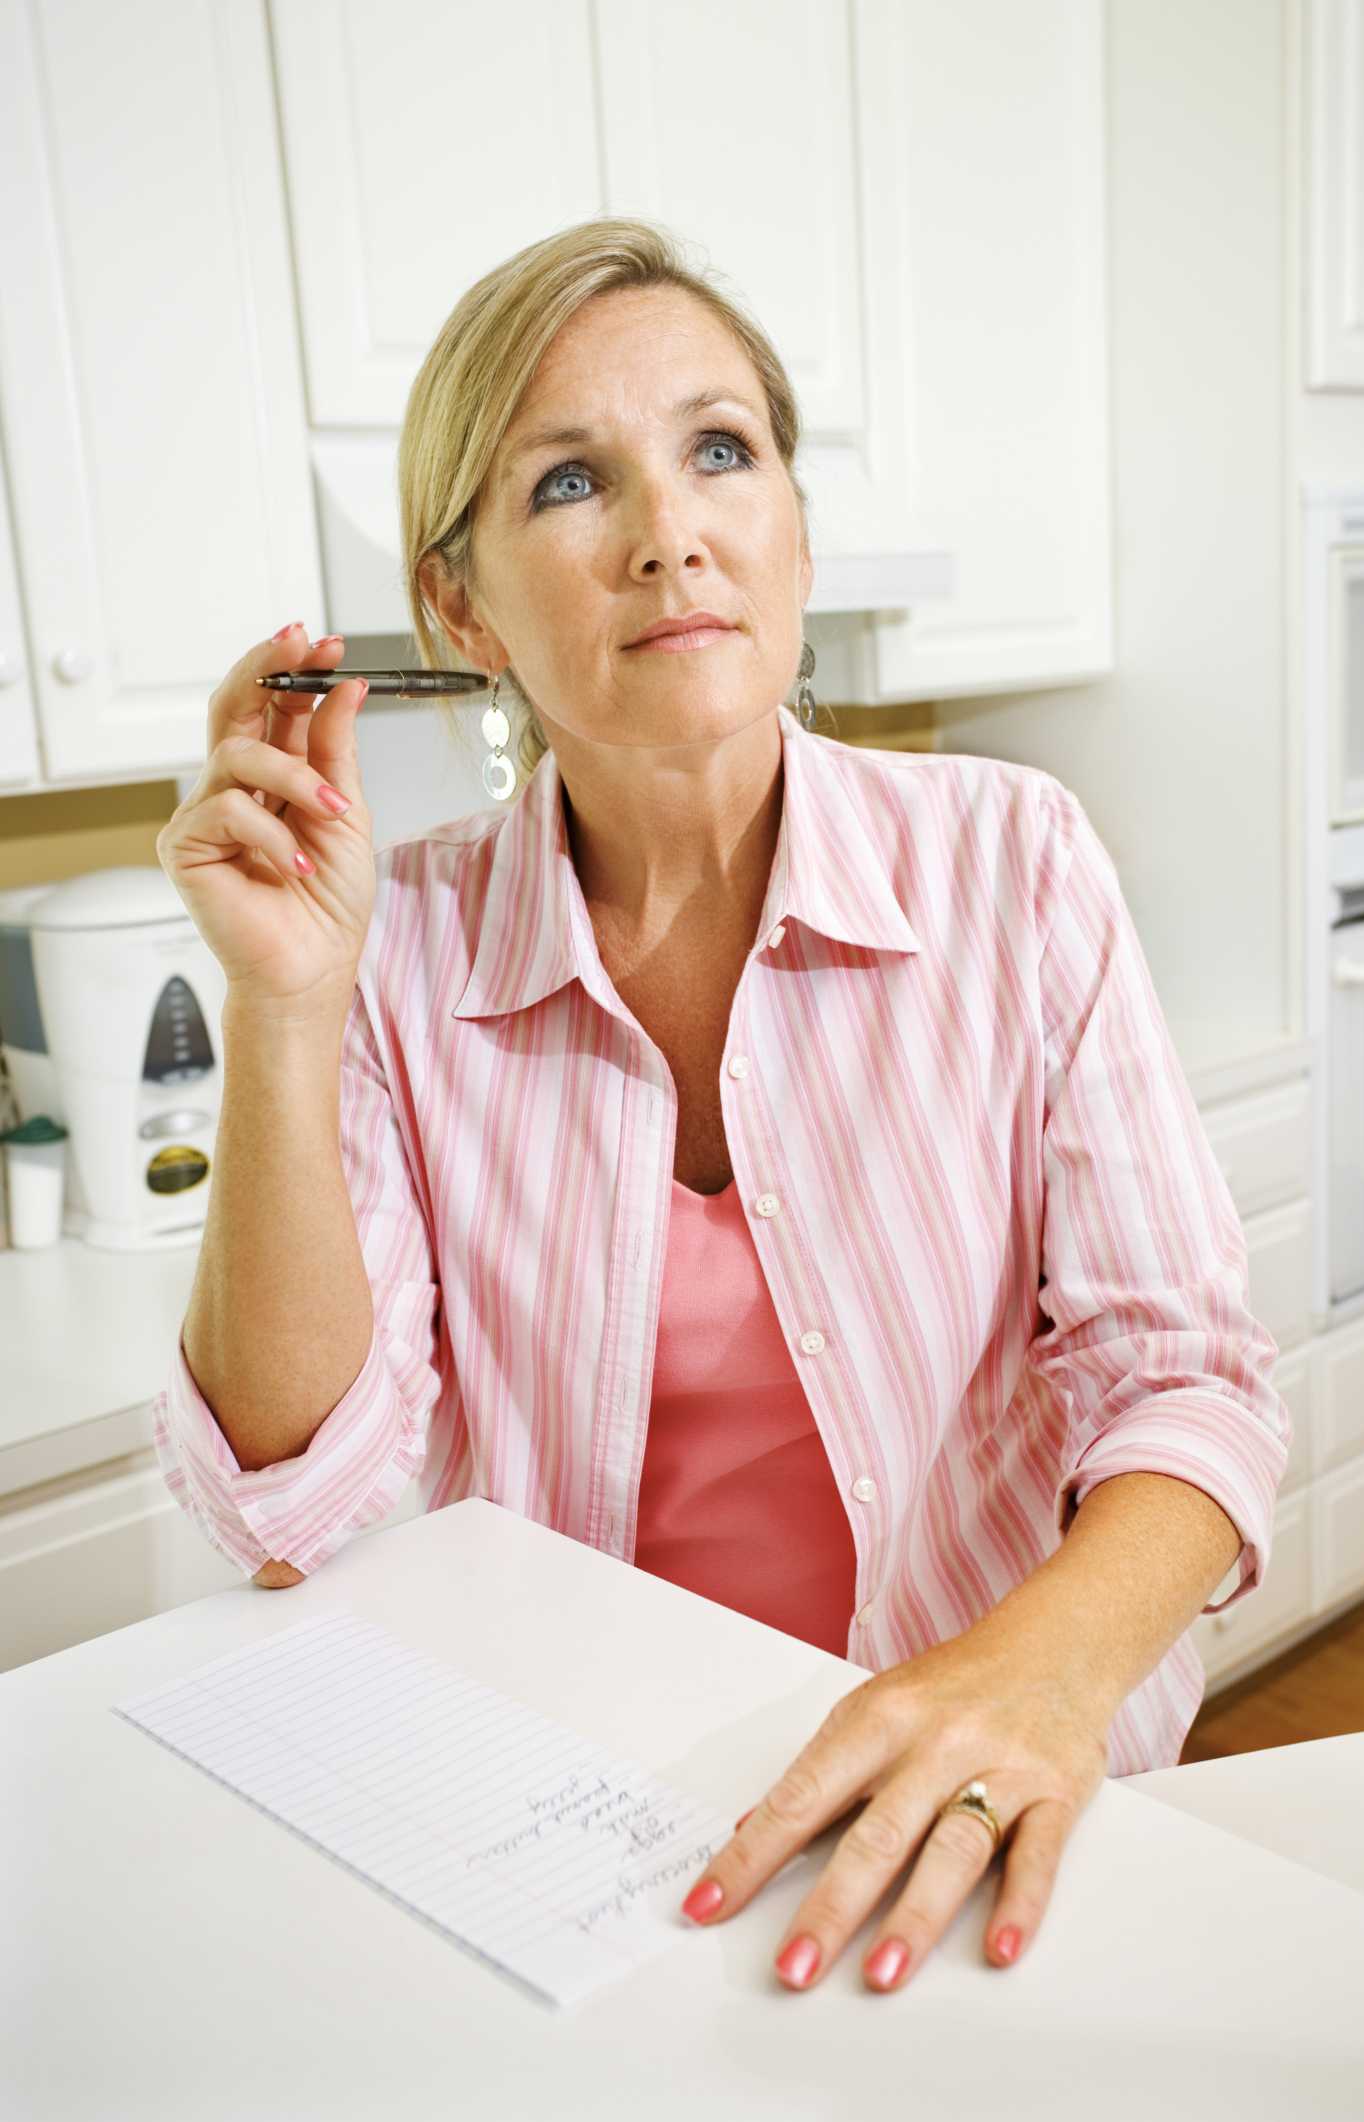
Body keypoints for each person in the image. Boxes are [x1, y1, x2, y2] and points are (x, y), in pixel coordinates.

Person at [153, 218, 1290, 1995]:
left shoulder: (1014, 861)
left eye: (719, 449)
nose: (669, 531)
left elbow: (1186, 1383)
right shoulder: (402, 944)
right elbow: (289, 1500)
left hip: (984, 1766)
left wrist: (1034, 1678)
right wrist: (285, 1007)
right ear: (461, 605)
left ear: (795, 527)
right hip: (565, 1817)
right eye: (567, 482)